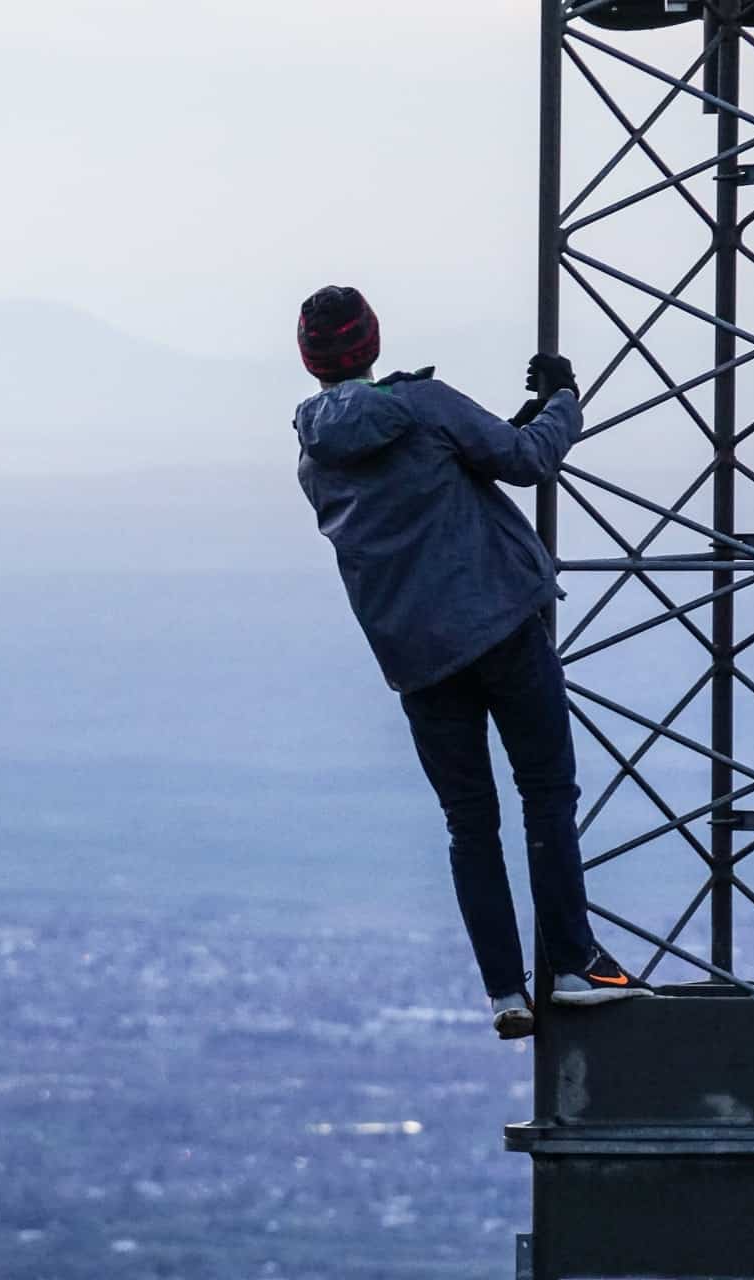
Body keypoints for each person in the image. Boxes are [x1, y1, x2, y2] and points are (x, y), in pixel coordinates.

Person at [290, 285, 651, 1038]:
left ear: (310, 360)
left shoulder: (314, 457)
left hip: (419, 661)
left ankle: (505, 991)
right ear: (373, 341)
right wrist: (563, 400)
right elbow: (525, 463)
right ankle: (577, 964)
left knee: (469, 822)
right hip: (502, 627)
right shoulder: (424, 404)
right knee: (546, 791)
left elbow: (426, 486)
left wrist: (500, 429)